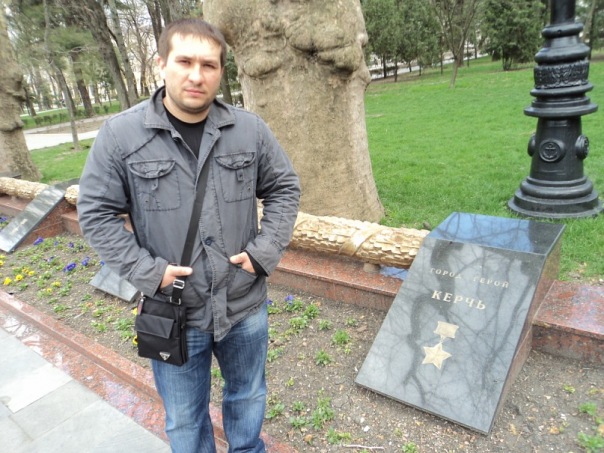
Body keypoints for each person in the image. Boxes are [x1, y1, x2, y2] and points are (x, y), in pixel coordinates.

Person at [77, 18, 300, 453]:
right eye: (184, 62)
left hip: (243, 303)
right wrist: (149, 273)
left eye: (209, 65)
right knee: (184, 419)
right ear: (161, 64)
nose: (196, 75)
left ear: (221, 72)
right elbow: (96, 213)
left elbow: (284, 187)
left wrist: (264, 251)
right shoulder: (121, 136)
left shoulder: (249, 130)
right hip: (174, 309)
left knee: (248, 396)